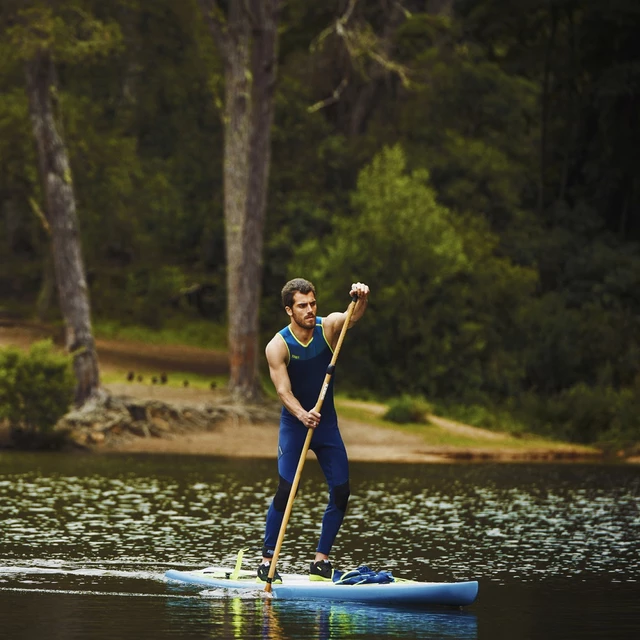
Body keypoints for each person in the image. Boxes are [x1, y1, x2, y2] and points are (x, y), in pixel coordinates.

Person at [258, 278, 370, 584]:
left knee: (341, 491)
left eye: (312, 303)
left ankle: (321, 561)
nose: (310, 310)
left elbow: (352, 316)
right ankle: (268, 559)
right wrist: (301, 414)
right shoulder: (277, 346)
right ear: (288, 310)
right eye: (302, 306)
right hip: (295, 427)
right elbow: (282, 390)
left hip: (327, 426)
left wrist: (361, 297)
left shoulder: (328, 328)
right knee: (286, 490)